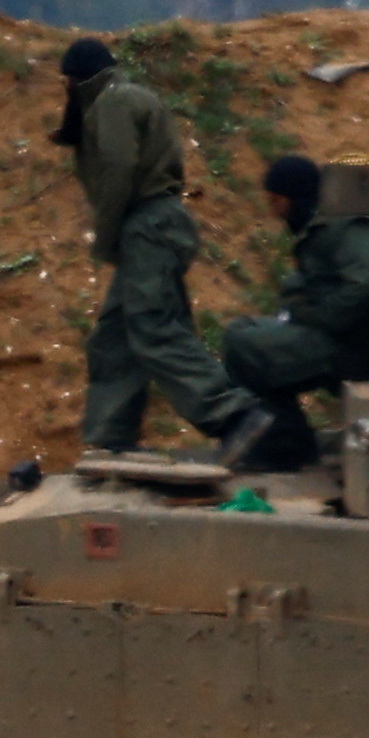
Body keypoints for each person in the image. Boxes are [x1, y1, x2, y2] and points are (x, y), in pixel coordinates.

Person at [55, 35, 231, 454]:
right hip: (154, 227)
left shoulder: (111, 103)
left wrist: (107, 235)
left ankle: (234, 415)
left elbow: (119, 168)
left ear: (77, 80)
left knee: (155, 329)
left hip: (147, 227)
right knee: (114, 340)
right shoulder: (127, 97)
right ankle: (108, 438)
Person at [214, 153, 369, 475]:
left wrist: (323, 316)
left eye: (277, 201)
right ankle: (289, 443)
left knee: (246, 347)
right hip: (341, 339)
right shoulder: (324, 224)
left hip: (356, 347)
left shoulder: (346, 222)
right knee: (243, 332)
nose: (275, 212)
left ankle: (286, 448)